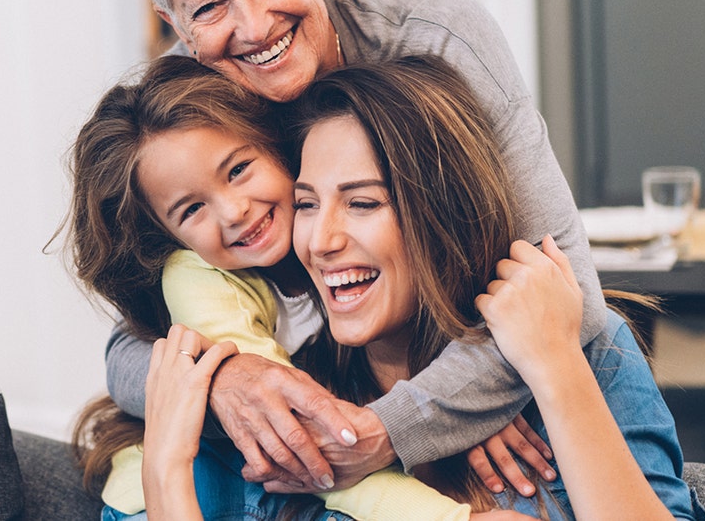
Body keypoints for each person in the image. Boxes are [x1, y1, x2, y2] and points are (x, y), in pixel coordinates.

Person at [105, 0, 604, 495]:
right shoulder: (185, 108)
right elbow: (127, 347)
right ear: (177, 27)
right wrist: (224, 378)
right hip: (324, 402)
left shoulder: (437, 39)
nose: (253, 26)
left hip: (464, 385)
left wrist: (400, 419)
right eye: (208, 9)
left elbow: (573, 298)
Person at [68, 55, 491, 519]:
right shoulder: (199, 281)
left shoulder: (327, 246)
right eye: (191, 210)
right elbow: (301, 437)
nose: (232, 212)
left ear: (276, 147)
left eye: (237, 170)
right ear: (168, 237)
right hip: (180, 497)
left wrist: (467, 411)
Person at [281, 59, 702, 519]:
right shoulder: (294, 390)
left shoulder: (589, 350)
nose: (321, 241)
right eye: (306, 204)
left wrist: (555, 366)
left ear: (447, 214)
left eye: (362, 203)